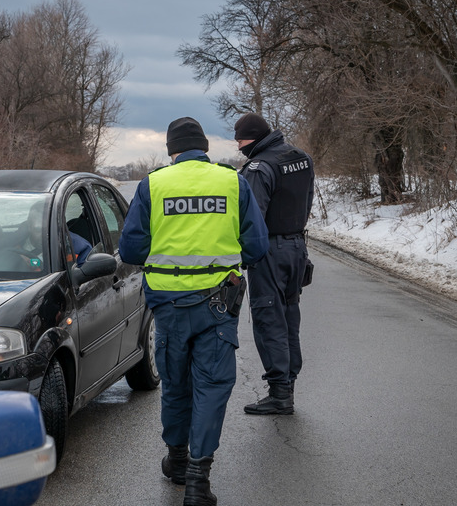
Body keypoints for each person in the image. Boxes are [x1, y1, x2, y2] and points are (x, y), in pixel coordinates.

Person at [119, 116, 269, 506]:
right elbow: (256, 246)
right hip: (218, 306)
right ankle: (198, 482)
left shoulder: (153, 185)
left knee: (176, 384)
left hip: (168, 307)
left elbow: (132, 250)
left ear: (171, 151)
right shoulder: (231, 181)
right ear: (203, 147)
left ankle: (178, 459)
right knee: (212, 387)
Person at [233, 113, 315, 416]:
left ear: (252, 137)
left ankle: (279, 394)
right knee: (290, 315)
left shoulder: (258, 167)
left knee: (269, 318)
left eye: (240, 139)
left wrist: (243, 255)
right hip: (296, 247)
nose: (238, 145)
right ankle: (288, 385)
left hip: (269, 250)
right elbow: (306, 202)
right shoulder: (301, 158)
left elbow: (251, 219)